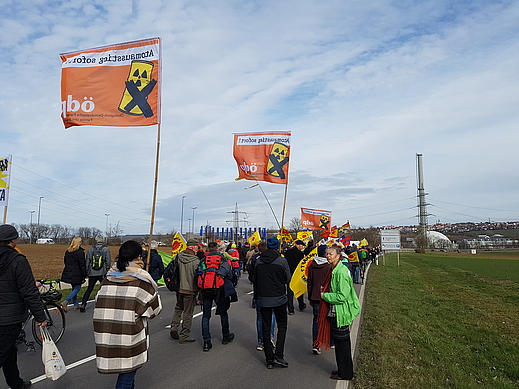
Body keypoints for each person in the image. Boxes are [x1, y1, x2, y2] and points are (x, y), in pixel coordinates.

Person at [93, 240, 162, 389]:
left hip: (105, 331)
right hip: (128, 333)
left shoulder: (108, 278)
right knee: (127, 375)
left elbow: (98, 301)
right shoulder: (142, 281)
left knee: (128, 374)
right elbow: (155, 310)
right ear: (138, 257)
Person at [0, 224, 47, 389]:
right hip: (8, 317)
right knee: (3, 353)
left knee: (9, 352)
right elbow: (28, 291)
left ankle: (16, 383)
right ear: (13, 240)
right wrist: (40, 316)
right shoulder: (18, 260)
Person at [316, 245, 361, 381]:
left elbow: (342, 296)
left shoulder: (340, 272)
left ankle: (346, 374)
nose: (328, 256)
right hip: (336, 312)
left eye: (331, 254)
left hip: (340, 313)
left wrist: (325, 296)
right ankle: (342, 369)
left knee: (342, 345)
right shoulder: (334, 269)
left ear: (338, 255)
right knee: (341, 344)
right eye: (327, 254)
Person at [253, 236, 291, 369]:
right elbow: (288, 278)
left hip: (263, 299)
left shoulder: (258, 261)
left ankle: (269, 359)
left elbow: (254, 279)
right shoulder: (281, 261)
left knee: (266, 327)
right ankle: (278, 355)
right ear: (278, 246)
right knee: (282, 326)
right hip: (279, 298)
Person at [200, 242, 235, 352]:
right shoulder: (221, 258)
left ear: (208, 249)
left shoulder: (203, 260)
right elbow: (229, 273)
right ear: (217, 248)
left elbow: (199, 274)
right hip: (219, 289)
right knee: (223, 313)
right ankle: (225, 336)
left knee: (206, 316)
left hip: (206, 289)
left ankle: (206, 342)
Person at [170, 239, 200, 344]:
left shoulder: (177, 257)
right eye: (197, 247)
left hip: (179, 288)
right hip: (190, 290)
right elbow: (198, 277)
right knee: (188, 313)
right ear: (193, 248)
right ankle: (184, 335)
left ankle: (174, 327)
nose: (198, 249)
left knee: (178, 308)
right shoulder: (196, 261)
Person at [248, 241, 276, 351]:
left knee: (260, 317)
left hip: (259, 291)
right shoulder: (276, 258)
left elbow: (251, 277)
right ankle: (270, 337)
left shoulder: (256, 259)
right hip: (273, 292)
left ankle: (261, 341)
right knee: (272, 315)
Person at [307, 245, 331, 355]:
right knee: (327, 319)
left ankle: (316, 344)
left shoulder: (312, 265)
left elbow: (309, 283)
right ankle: (328, 341)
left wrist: (310, 297)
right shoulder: (328, 266)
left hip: (315, 296)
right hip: (326, 297)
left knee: (316, 320)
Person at [80, 235, 111, 312]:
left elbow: (87, 261)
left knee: (89, 289)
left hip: (92, 273)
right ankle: (106, 304)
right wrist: (107, 270)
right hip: (102, 273)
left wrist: (87, 271)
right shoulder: (105, 249)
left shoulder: (91, 249)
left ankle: (83, 304)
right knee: (104, 289)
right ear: (103, 240)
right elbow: (108, 261)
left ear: (96, 240)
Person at [61, 237, 86, 312]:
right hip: (77, 272)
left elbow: (65, 261)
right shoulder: (80, 252)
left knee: (74, 288)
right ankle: (66, 301)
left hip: (69, 271)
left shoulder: (68, 251)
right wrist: (84, 274)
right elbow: (82, 264)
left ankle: (75, 304)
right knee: (77, 288)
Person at [284, 240, 306, 314]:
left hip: (289, 273)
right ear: (298, 245)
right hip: (297, 274)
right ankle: (301, 305)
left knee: (290, 292)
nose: (302, 247)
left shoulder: (287, 252)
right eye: (302, 246)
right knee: (299, 290)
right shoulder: (300, 254)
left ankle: (291, 309)